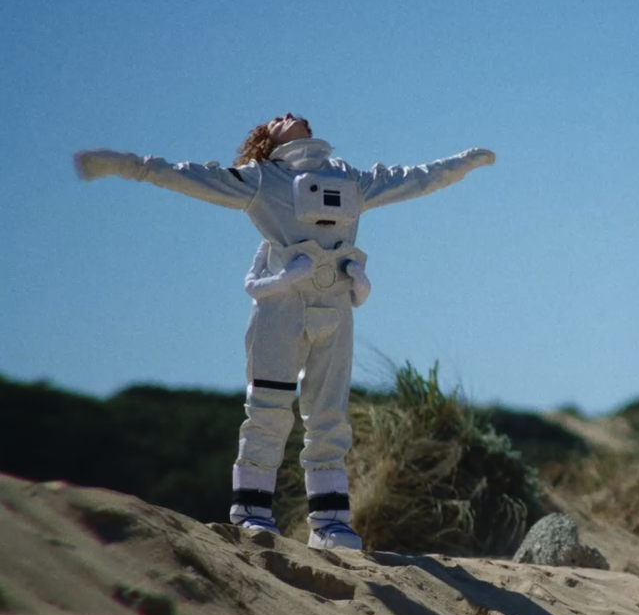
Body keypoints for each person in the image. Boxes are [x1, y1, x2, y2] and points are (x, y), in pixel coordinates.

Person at [74, 114, 495, 550]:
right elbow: (185, 176)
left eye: (295, 116)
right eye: (277, 118)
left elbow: (416, 180)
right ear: (265, 139)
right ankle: (252, 511)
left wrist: (461, 164)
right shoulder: (261, 180)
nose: (290, 117)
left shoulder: (349, 179)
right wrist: (124, 164)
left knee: (329, 417)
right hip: (281, 311)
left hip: (334, 310)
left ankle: (330, 522)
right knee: (269, 409)